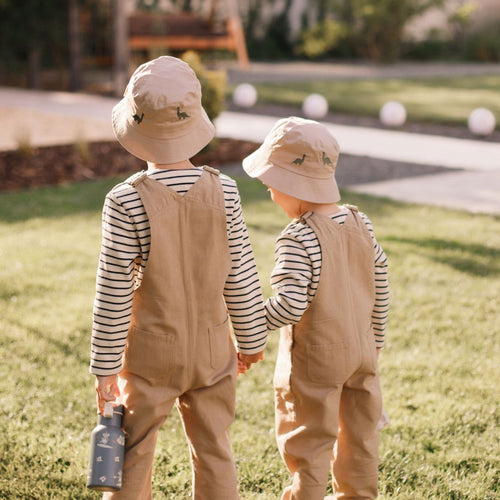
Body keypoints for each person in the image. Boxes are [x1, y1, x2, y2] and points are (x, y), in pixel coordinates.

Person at [89, 56, 267, 500]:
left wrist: (105, 368)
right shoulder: (224, 190)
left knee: (134, 449)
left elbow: (113, 292)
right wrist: (251, 340)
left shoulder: (126, 200)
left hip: (151, 355)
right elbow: (241, 273)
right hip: (213, 350)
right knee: (215, 450)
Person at [241, 116, 389, 499]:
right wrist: (377, 339)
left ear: (292, 185)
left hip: (316, 361)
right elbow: (381, 279)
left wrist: (252, 317)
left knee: (309, 443)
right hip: (362, 353)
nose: (272, 196)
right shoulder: (361, 222)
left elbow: (290, 305)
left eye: (272, 187)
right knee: (360, 439)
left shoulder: (298, 236)